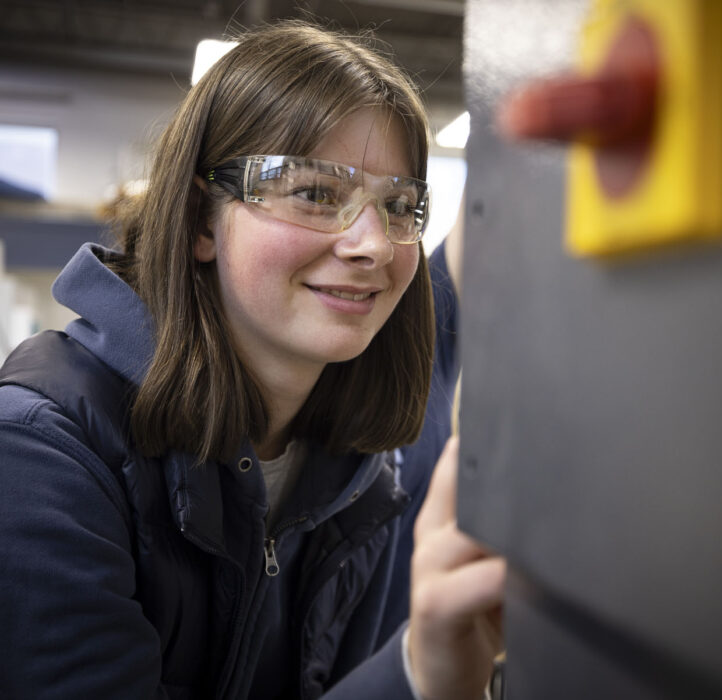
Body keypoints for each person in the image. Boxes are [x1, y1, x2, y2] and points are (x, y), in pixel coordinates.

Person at [0, 20, 504, 700]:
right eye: (317, 194)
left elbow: (493, 217)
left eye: (399, 205)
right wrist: (417, 675)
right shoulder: (42, 451)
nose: (374, 245)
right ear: (203, 220)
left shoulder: (363, 457)